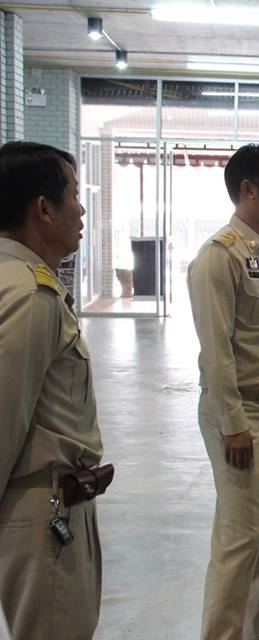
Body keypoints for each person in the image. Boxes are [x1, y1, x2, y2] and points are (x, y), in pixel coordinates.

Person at [187, 144, 259, 640]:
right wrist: (233, 425)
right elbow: (217, 352)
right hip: (242, 417)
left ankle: (254, 628)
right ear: (248, 190)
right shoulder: (219, 258)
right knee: (239, 538)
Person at [0, 141, 106, 639]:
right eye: (74, 196)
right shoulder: (30, 295)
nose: (81, 210)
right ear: (43, 208)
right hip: (42, 515)